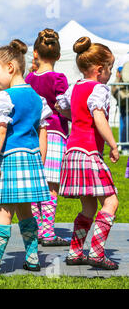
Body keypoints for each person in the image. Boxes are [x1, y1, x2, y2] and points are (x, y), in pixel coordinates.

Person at [0, 39, 52, 275]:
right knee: (26, 211)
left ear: (10, 67)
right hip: (32, 158)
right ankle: (32, 259)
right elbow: (42, 132)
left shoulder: (4, 98)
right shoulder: (38, 98)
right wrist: (40, 160)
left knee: (3, 211)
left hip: (11, 159)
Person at [56, 37, 119, 270]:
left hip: (72, 151)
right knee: (111, 202)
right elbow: (98, 116)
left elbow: (61, 107)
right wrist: (112, 144)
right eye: (110, 68)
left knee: (89, 207)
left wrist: (78, 119)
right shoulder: (99, 88)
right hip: (90, 152)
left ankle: (74, 251)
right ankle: (97, 252)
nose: (111, 73)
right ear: (100, 69)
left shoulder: (75, 87)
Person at [25, 28, 70, 247]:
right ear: (58, 56)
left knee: (36, 185)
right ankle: (48, 232)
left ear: (35, 53)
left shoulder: (29, 78)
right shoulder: (58, 78)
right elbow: (62, 106)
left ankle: (36, 228)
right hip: (55, 134)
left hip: (34, 135)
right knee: (52, 186)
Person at [111, 61, 129, 155]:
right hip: (124, 101)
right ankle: (124, 146)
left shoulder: (124, 65)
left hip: (124, 100)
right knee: (124, 125)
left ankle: (125, 146)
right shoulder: (123, 66)